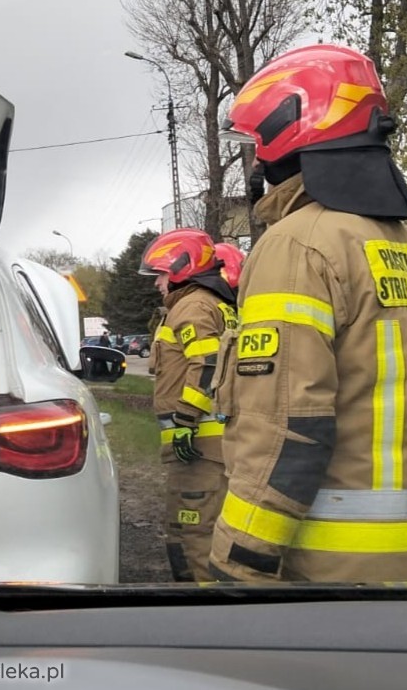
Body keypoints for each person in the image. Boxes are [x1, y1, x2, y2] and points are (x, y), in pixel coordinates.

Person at [209, 43, 407, 582]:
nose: (255, 159)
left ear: (286, 132)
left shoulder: (298, 246)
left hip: (332, 572)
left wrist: (238, 561)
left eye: (254, 144)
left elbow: (284, 426)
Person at [139, 228, 238, 581]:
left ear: (182, 267)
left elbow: (207, 363)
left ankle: (201, 612)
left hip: (198, 448)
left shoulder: (193, 306)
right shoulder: (210, 304)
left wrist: (185, 419)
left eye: (161, 274)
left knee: (193, 532)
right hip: (206, 447)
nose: (156, 283)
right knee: (193, 528)